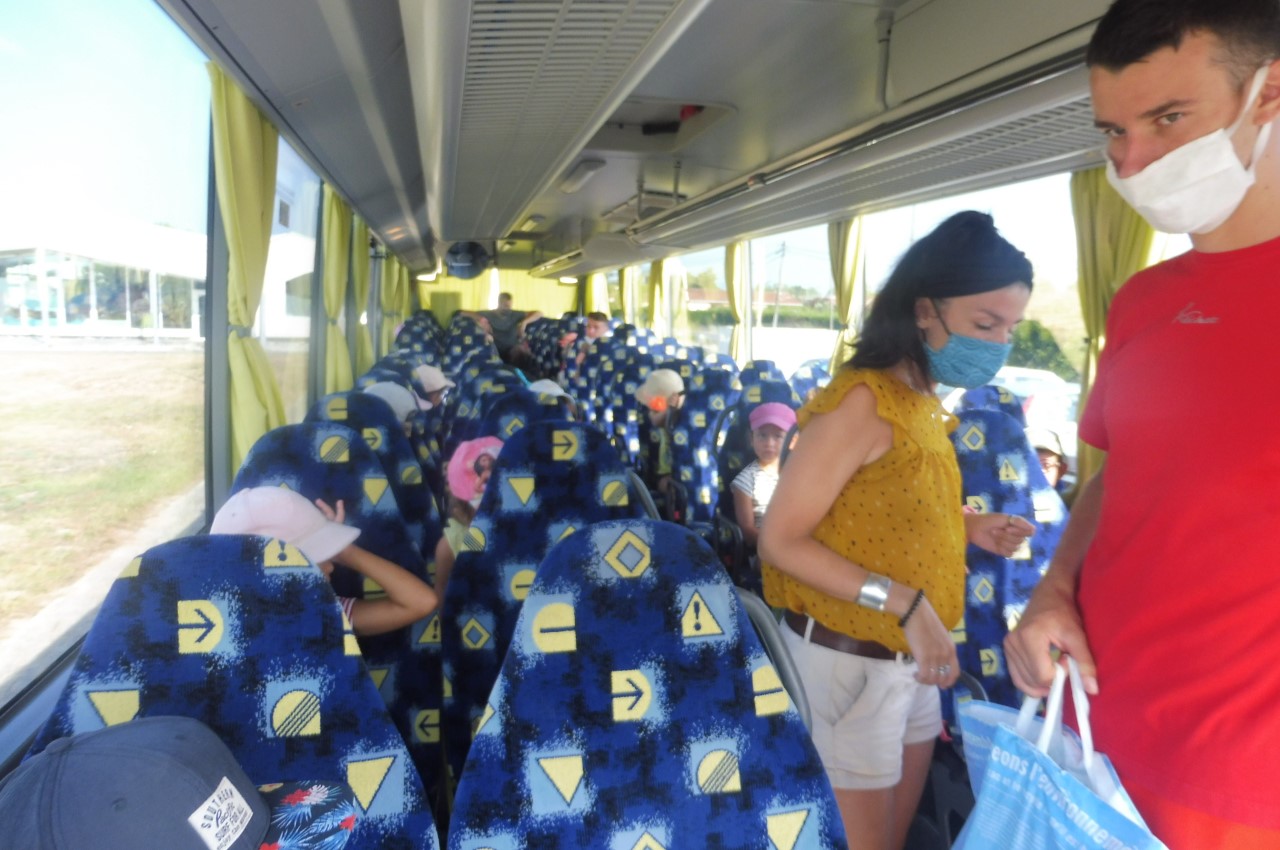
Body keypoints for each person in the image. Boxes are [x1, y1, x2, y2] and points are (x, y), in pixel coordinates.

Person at [1005, 2, 1280, 844]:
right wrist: (1053, 590)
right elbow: (1120, 475)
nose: (1131, 161)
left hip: (1240, 788)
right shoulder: (1142, 301)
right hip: (1088, 740)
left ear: (1269, 93)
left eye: (1167, 119)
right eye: (1114, 131)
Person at [758, 211, 1036, 850]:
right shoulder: (863, 401)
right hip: (849, 665)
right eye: (985, 325)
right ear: (924, 311)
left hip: (907, 664)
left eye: (1010, 329)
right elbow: (780, 537)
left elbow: (878, 513)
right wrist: (907, 604)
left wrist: (969, 529)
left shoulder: (921, 402)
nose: (999, 344)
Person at [211, 486, 437, 636]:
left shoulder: (324, 611)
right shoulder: (219, 632)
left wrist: (344, 551)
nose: (331, 566)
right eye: (317, 557)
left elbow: (421, 602)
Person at [433, 436, 503, 601]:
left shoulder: (530, 529)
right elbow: (442, 597)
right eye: (484, 507)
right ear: (460, 508)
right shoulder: (451, 545)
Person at [731, 401, 797, 548]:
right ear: (751, 439)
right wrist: (778, 547)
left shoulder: (797, 475)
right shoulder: (746, 480)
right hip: (765, 548)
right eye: (762, 435)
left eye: (778, 436)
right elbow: (748, 530)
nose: (769, 443)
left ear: (792, 441)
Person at [635, 368, 686, 508]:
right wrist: (669, 410)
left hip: (685, 470)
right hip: (662, 472)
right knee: (672, 488)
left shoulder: (688, 415)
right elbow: (654, 421)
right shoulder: (654, 414)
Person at [461, 292, 543, 362]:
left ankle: (518, 372)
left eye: (509, 306)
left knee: (521, 351)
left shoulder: (515, 314)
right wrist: (482, 319)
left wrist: (524, 323)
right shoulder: (489, 314)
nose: (508, 308)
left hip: (512, 349)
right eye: (505, 306)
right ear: (499, 303)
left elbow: (539, 313)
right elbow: (461, 313)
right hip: (495, 349)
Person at [1026, 426, 1068, 492]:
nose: (1037, 475)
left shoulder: (1072, 498)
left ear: (1061, 471)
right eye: (1030, 466)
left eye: (1046, 465)